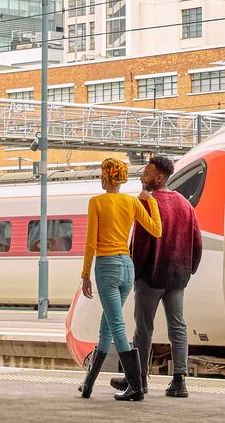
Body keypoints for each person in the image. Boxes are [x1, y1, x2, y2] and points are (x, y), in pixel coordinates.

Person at [109, 156, 201, 397]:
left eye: (147, 173)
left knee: (143, 329)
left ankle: (138, 380)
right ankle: (180, 380)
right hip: (177, 277)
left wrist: (135, 272)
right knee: (178, 327)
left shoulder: (147, 203)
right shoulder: (184, 204)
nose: (142, 177)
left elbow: (139, 244)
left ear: (158, 177)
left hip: (151, 275)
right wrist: (189, 269)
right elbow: (197, 241)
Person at [77, 158, 161, 401]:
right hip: (127, 267)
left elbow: (91, 242)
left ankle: (136, 386)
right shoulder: (132, 202)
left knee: (116, 326)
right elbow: (156, 229)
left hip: (107, 267)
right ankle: (88, 385)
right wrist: (151, 201)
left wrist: (85, 275)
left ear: (105, 177)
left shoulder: (97, 202)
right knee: (107, 326)